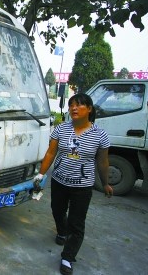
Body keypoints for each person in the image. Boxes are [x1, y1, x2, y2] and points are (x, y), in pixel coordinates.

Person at [35, 93, 113, 275]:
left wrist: (106, 183)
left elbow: (103, 162)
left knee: (76, 223)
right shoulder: (61, 129)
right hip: (59, 181)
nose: (74, 108)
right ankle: (62, 232)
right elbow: (50, 153)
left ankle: (67, 257)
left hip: (83, 187)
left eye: (79, 105)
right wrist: (40, 175)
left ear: (89, 109)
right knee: (57, 210)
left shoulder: (100, 135)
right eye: (71, 105)